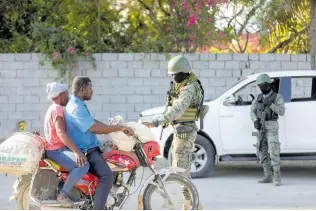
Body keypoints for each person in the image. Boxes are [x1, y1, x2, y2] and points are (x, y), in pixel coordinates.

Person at [142, 55, 204, 209]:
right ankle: (191, 204)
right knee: (180, 169)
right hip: (180, 131)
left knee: (181, 172)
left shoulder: (189, 88)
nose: (173, 77)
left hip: (185, 132)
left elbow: (178, 109)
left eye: (175, 74)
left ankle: (191, 205)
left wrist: (157, 121)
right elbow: (171, 106)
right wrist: (166, 120)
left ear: (184, 73)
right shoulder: (182, 85)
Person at [64, 76, 134, 210]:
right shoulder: (75, 108)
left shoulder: (77, 103)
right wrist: (119, 128)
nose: (92, 91)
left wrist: (112, 128)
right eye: (90, 88)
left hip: (91, 147)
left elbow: (93, 122)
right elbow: (94, 128)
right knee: (107, 176)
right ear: (82, 89)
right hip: (86, 151)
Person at [44, 82, 90, 207]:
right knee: (83, 165)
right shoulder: (58, 109)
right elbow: (61, 133)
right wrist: (77, 152)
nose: (68, 97)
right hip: (56, 150)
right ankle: (63, 194)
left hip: (56, 149)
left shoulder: (52, 108)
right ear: (61, 94)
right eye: (66, 94)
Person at [250, 73, 285, 186]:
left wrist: (270, 104)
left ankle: (277, 176)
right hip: (261, 126)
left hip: (272, 126)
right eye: (259, 86)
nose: (260, 87)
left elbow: (281, 111)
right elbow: (252, 111)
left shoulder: (277, 97)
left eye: (262, 85)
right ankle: (267, 175)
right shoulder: (258, 98)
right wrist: (255, 120)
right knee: (262, 150)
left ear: (267, 84)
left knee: (274, 151)